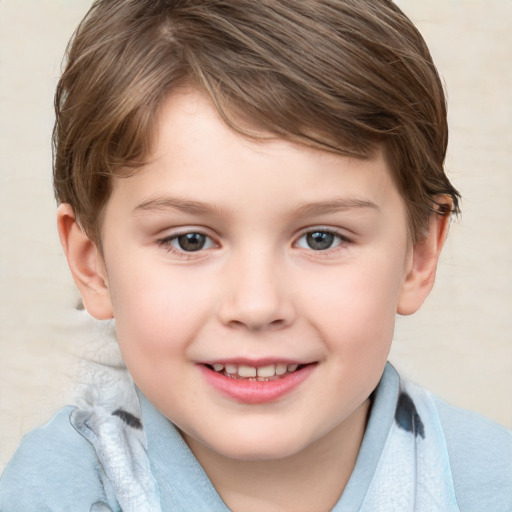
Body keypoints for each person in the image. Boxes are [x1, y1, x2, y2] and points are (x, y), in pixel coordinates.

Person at [1, 0, 510, 510]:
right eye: (190, 240)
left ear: (418, 254)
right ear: (93, 264)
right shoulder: (55, 492)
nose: (257, 305)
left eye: (321, 238)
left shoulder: (490, 484)